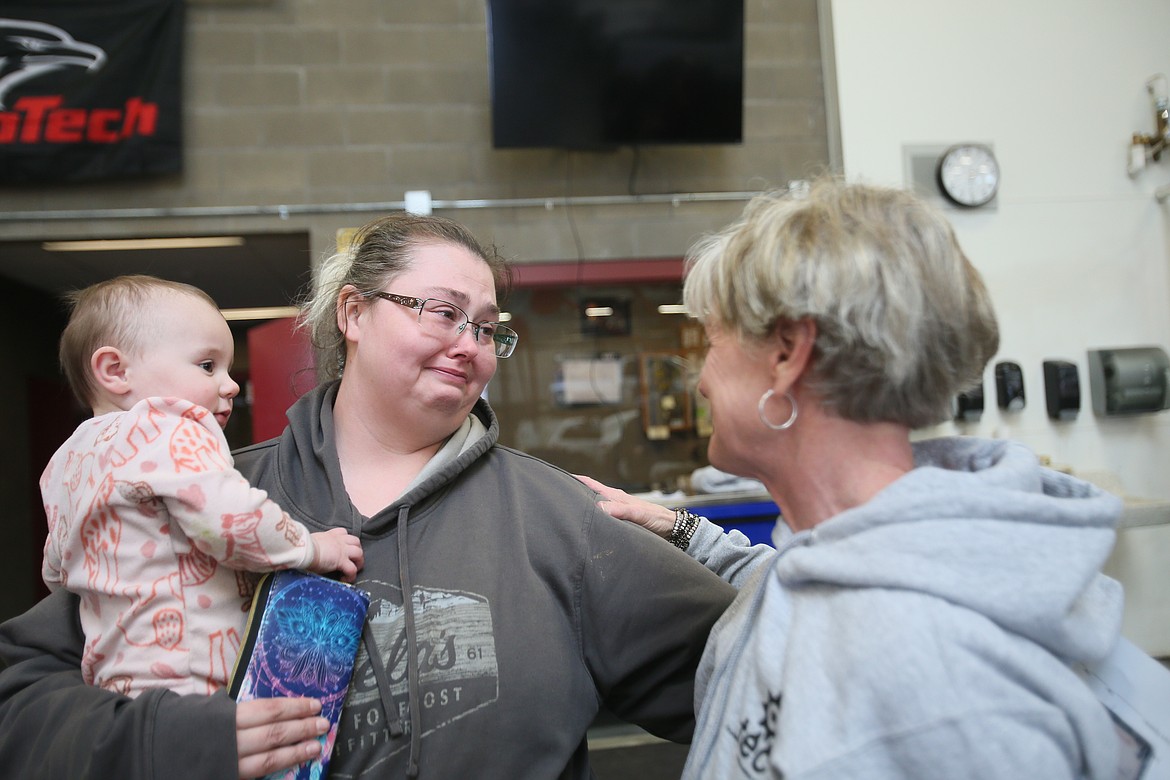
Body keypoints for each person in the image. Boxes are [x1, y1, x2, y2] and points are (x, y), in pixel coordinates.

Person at [0, 215, 737, 779]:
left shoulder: (557, 518)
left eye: (487, 328)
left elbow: (756, 671)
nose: (469, 343)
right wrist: (170, 739)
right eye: (442, 311)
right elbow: (20, 700)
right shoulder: (214, 497)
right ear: (352, 313)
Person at [577, 178, 1126, 778]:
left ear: (787, 354)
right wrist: (680, 530)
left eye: (711, 342)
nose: (699, 379)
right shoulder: (856, 551)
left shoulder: (941, 675)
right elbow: (794, 580)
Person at [40, 275, 365, 698]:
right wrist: (313, 548)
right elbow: (231, 519)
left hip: (114, 684)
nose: (229, 385)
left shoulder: (66, 460)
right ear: (115, 371)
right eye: (207, 366)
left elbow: (56, 568)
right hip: (191, 673)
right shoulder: (170, 428)